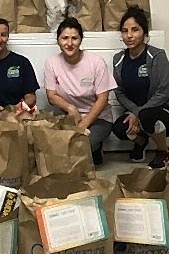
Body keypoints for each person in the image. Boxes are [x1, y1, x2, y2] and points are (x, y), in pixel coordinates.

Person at [112, 5, 169, 168]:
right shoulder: (118, 60)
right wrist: (134, 112)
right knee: (119, 128)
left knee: (147, 116)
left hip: (165, 112)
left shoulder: (157, 56)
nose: (129, 35)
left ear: (144, 33)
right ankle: (141, 141)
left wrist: (138, 113)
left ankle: (164, 152)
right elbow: (119, 92)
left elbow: (163, 92)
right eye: (124, 31)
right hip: (137, 112)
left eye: (135, 30)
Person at [44, 17, 117, 166]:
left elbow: (103, 98)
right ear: (58, 40)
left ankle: (95, 148)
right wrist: (71, 108)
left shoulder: (96, 62)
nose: (69, 43)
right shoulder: (52, 63)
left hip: (98, 118)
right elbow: (51, 96)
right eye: (64, 38)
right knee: (56, 145)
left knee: (80, 146)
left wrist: (83, 125)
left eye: (74, 38)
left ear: (81, 40)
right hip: (68, 115)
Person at [0, 18, 40, 109]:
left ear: (8, 37)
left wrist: (16, 108)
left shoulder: (22, 63)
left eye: (3, 35)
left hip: (18, 117)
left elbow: (31, 97)